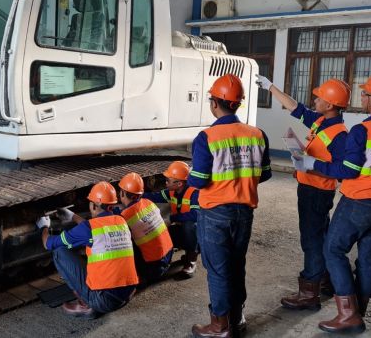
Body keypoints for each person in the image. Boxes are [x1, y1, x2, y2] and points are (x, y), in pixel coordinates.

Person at [292, 71, 371, 333]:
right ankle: (360, 311)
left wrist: (312, 163)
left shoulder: (362, 131)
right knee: (368, 259)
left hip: (359, 201)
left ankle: (348, 315)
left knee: (333, 250)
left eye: (367, 94)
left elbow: (348, 171)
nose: (363, 96)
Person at [256, 75, 349, 310]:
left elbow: (342, 170)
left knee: (312, 240)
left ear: (329, 106)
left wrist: (311, 164)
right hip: (309, 188)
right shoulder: (321, 121)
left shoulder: (339, 134)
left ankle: (309, 293)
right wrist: (270, 87)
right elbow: (296, 108)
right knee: (321, 235)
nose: (314, 101)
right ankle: (327, 280)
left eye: (319, 98)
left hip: (317, 192)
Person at [189, 73, 272, 338]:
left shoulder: (207, 137)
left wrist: (189, 173)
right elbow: (265, 174)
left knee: (218, 269)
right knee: (236, 264)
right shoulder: (257, 134)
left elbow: (200, 181)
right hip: (244, 212)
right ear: (238, 104)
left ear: (215, 103)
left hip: (215, 213)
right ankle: (237, 316)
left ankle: (220, 325)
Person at [37, 181, 138, 319]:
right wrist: (72, 216)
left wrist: (44, 226)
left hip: (105, 301)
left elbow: (48, 243)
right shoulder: (121, 221)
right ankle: (93, 301)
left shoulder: (88, 229)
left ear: (93, 205)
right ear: (111, 205)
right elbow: (94, 227)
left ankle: (87, 305)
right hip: (129, 293)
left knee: (59, 252)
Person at [143, 161, 200, 277]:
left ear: (179, 183)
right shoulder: (172, 191)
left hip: (198, 234)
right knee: (164, 233)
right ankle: (164, 262)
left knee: (189, 226)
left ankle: (191, 259)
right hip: (181, 228)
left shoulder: (194, 193)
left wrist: (172, 218)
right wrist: (135, 195)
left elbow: (195, 215)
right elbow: (155, 196)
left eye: (168, 180)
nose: (166, 182)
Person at [118, 172, 174, 284]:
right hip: (169, 257)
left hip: (154, 268)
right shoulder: (148, 202)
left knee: (120, 243)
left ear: (123, 193)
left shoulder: (125, 216)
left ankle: (137, 277)